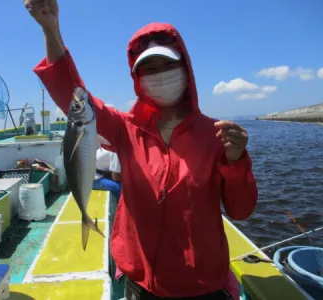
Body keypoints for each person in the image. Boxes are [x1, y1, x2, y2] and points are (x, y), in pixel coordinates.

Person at [24, 1, 258, 299]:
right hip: (141, 282)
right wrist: (51, 28)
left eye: (168, 65)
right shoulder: (125, 128)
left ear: (186, 69)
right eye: (149, 69)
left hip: (202, 285)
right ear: (138, 79)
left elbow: (241, 210)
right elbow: (73, 93)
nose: (159, 74)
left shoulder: (216, 135)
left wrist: (236, 161)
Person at [93, 134, 122, 200]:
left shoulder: (110, 144)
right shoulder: (116, 152)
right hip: (94, 180)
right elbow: (115, 177)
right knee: (121, 189)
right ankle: (120, 208)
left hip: (94, 174)